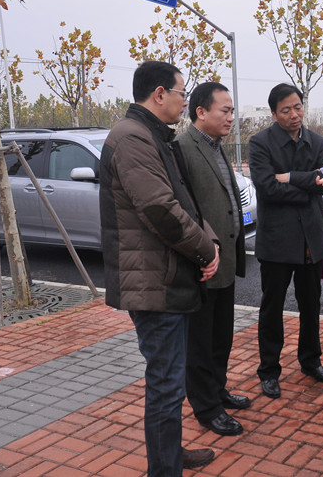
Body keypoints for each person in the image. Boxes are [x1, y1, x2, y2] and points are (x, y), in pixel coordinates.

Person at [99, 61, 219, 475]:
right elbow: (160, 210)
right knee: (166, 384)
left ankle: (169, 454)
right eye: (182, 93)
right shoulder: (132, 138)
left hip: (167, 276)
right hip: (153, 282)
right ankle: (164, 469)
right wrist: (206, 252)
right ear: (160, 94)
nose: (185, 101)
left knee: (171, 380)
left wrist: (211, 242)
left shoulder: (154, 135)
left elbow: (184, 201)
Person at [248, 83, 323, 400]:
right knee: (272, 308)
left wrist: (290, 178)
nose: (294, 114)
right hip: (277, 241)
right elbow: (267, 188)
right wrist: (308, 183)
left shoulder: (317, 141)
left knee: (311, 305)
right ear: (274, 114)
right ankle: (269, 370)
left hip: (311, 238)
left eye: (298, 107)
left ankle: (311, 361)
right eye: (286, 110)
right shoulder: (260, 143)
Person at [176, 82, 250, 437]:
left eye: (232, 111)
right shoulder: (183, 148)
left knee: (221, 337)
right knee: (201, 343)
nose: (231, 117)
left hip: (226, 261)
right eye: (225, 110)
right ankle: (206, 408)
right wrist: (204, 250)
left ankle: (218, 391)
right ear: (201, 112)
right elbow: (184, 208)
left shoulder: (216, 147)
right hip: (203, 263)